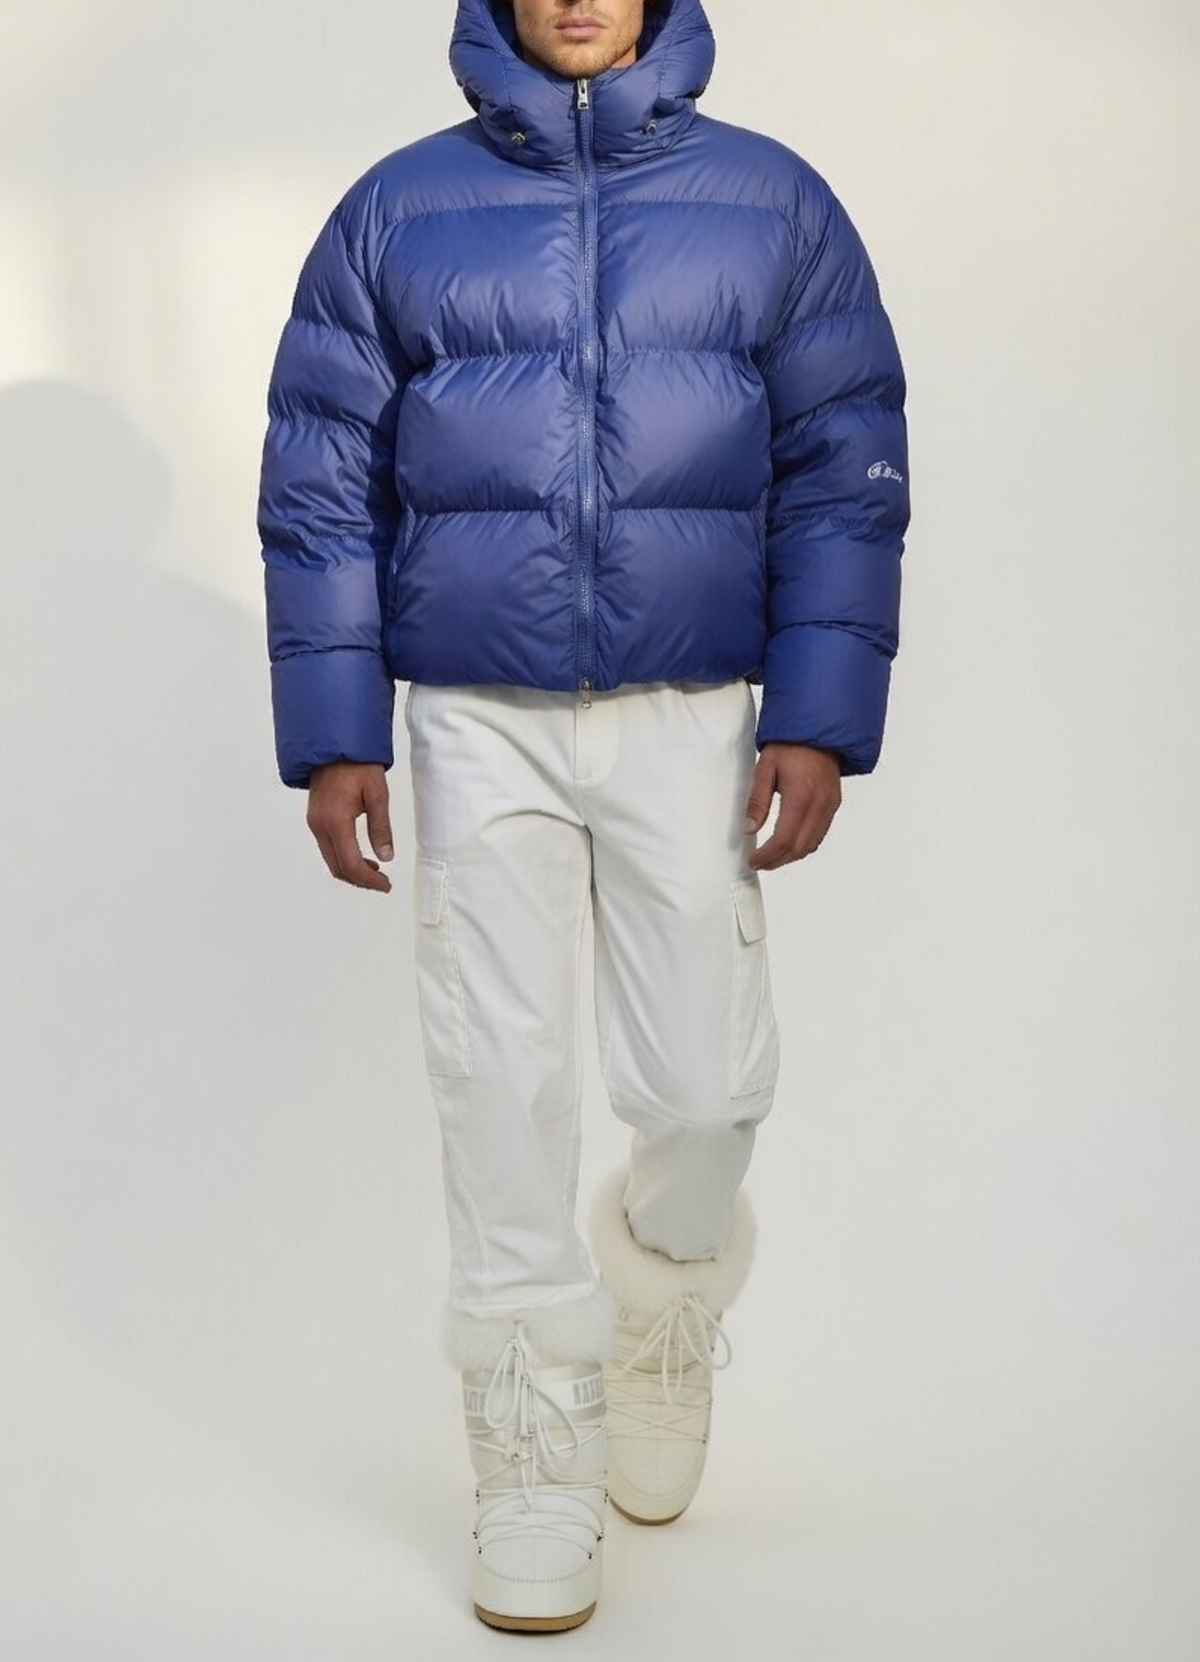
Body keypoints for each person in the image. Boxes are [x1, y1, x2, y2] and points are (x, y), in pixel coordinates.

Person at [257, 0, 908, 1633]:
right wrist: (337, 732)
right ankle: (534, 1434)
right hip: (473, 714)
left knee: (704, 1085)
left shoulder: (774, 204)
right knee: (501, 1075)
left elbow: (845, 457)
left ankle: (663, 1297)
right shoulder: (397, 210)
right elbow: (322, 478)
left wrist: (818, 706)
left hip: (691, 708)